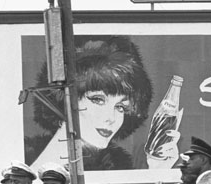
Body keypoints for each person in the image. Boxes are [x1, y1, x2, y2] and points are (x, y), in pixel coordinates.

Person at [25, 36, 152, 170]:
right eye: (98, 100)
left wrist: (160, 167)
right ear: (64, 99)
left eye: (120, 107)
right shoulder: (27, 164)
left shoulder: (117, 166)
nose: (111, 118)